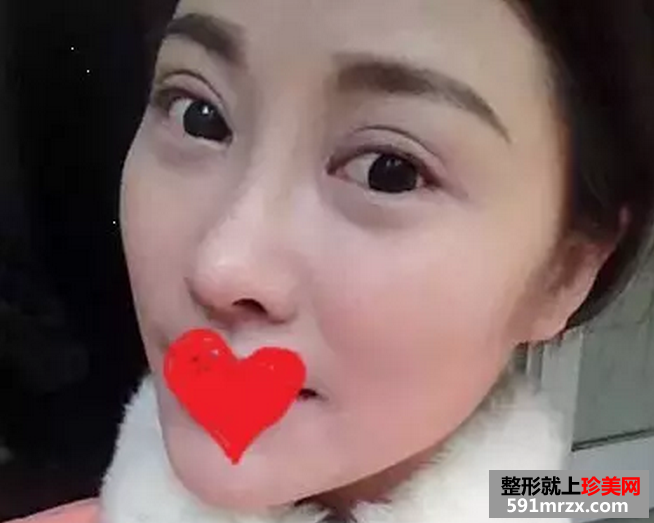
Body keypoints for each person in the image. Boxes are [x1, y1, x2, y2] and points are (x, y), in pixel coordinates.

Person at [11, 0, 654, 522]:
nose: (221, 265)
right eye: (199, 116)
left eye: (389, 171)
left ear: (568, 270)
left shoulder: (564, 495)